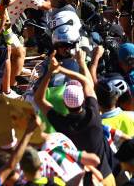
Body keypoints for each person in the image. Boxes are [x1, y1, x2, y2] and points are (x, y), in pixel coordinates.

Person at [34, 50, 115, 185]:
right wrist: (70, 67)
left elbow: (39, 99)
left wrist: (50, 72)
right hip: (105, 178)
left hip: (82, 181)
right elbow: (86, 82)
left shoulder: (62, 123)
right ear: (83, 99)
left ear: (65, 103)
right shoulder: (94, 115)